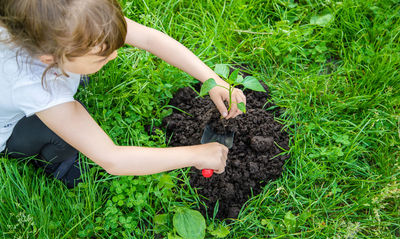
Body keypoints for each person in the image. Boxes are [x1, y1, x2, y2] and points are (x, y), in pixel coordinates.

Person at [0, 0, 246, 188]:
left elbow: (149, 39)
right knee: (63, 137)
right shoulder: (35, 87)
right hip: (12, 129)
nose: (115, 55)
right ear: (49, 59)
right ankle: (62, 166)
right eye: (102, 56)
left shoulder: (68, 19)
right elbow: (113, 158)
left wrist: (212, 81)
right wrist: (196, 154)